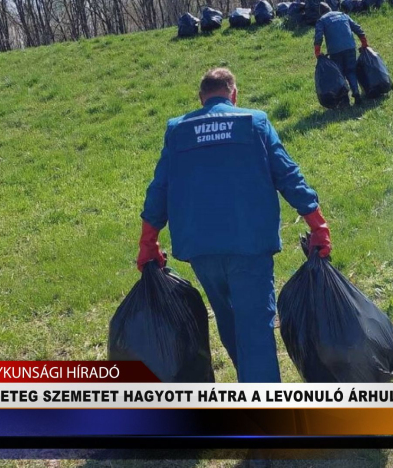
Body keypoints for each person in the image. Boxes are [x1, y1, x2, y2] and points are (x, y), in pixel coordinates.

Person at [137, 68, 332, 384]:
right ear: (234, 95)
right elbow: (289, 176)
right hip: (249, 246)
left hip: (200, 249)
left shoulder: (178, 130)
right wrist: (318, 226)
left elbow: (159, 189)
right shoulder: (254, 122)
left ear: (201, 99)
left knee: (228, 318)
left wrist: (149, 243)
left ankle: (250, 389)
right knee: (255, 326)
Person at [314, 3, 369, 105]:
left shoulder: (322, 20)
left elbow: (318, 37)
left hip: (335, 51)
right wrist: (364, 43)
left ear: (320, 13)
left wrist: (317, 52)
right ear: (330, 9)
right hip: (350, 47)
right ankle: (356, 94)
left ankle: (345, 100)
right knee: (351, 71)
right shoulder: (343, 15)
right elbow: (357, 28)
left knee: (340, 74)